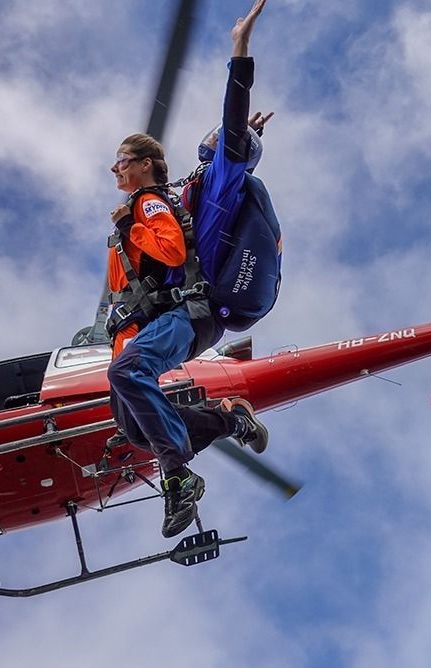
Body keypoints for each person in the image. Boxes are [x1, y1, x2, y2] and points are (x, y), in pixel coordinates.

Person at [105, 0, 270, 540]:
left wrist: (239, 53)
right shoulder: (188, 195)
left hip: (193, 312)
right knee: (132, 424)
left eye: (122, 160)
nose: (115, 169)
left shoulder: (219, 186)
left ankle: (177, 476)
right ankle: (229, 419)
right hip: (178, 316)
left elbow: (228, 131)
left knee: (128, 373)